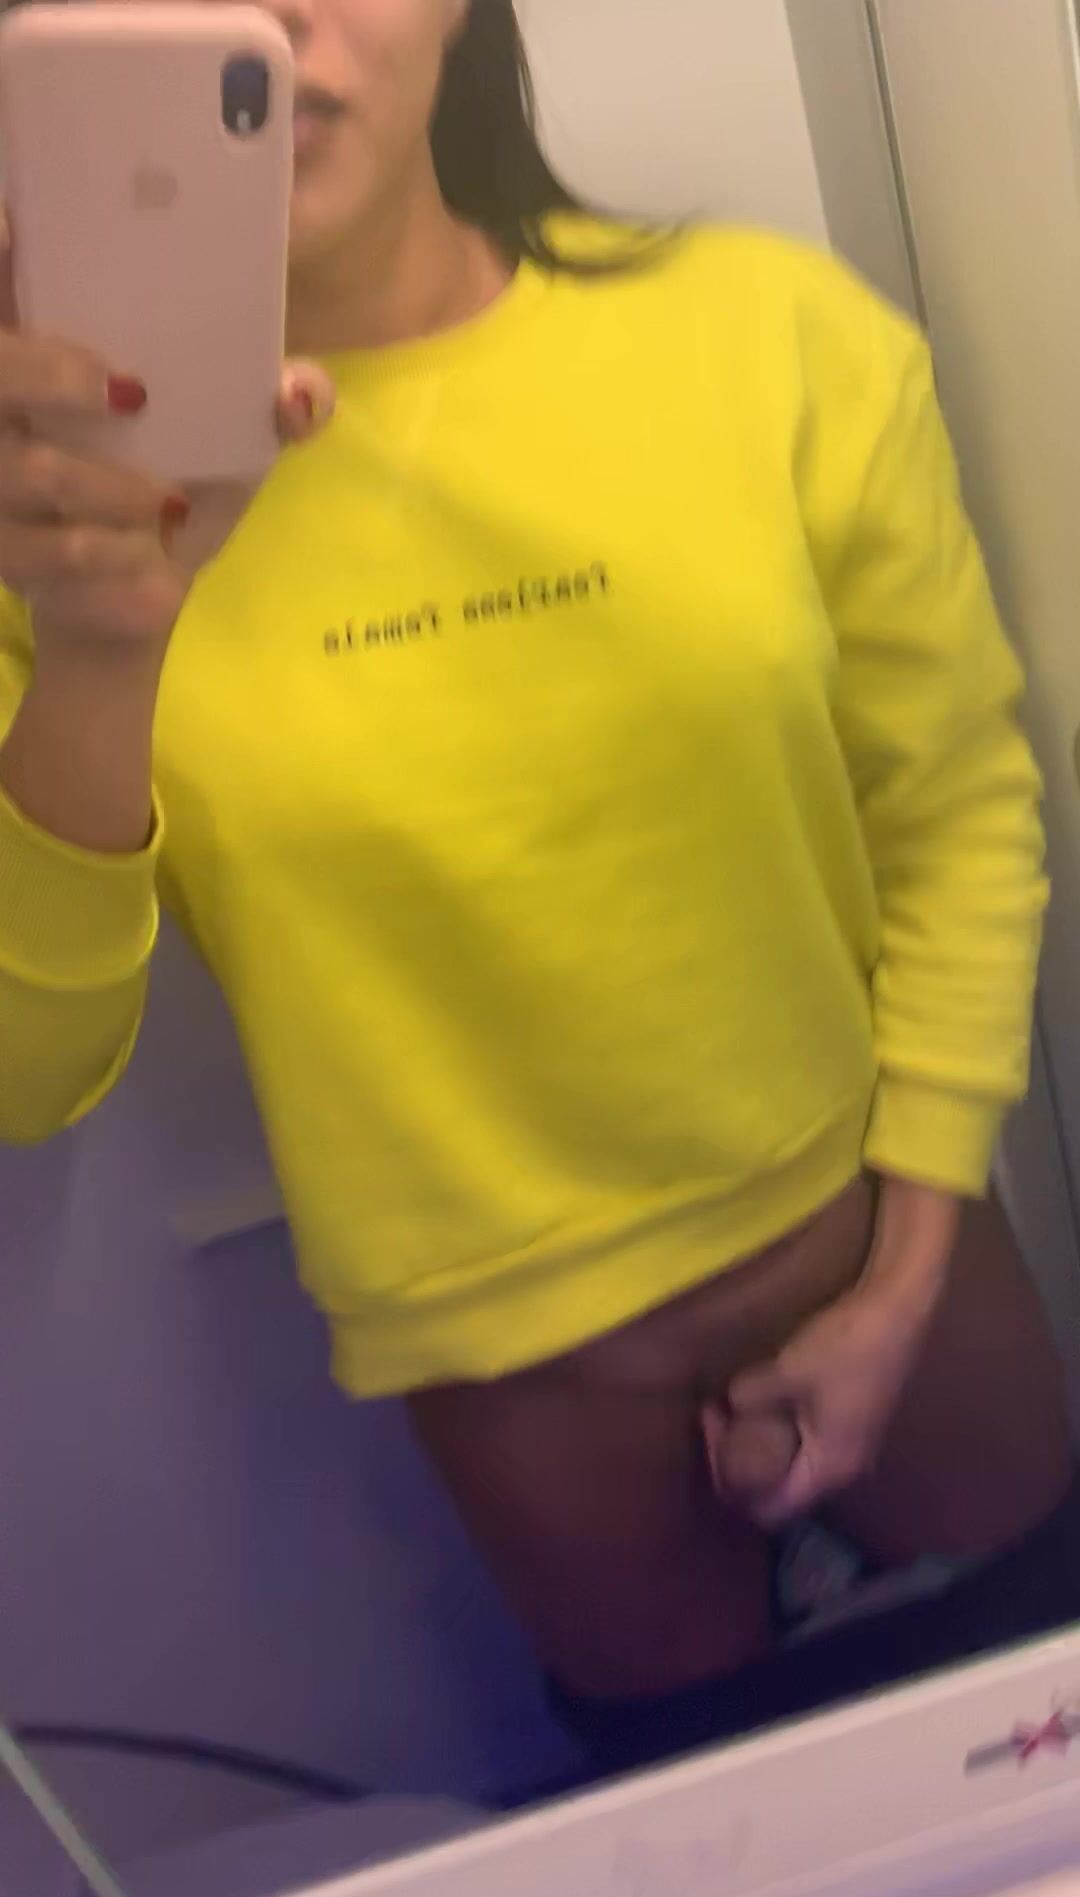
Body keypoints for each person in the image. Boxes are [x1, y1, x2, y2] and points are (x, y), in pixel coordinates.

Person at [0, 0, 1074, 1778]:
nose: (273, 20)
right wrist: (105, 645)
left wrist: (900, 1283)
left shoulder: (767, 336)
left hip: (899, 1257)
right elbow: (26, 1077)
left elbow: (955, 808)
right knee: (724, 1852)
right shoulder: (49, 516)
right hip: (524, 1397)